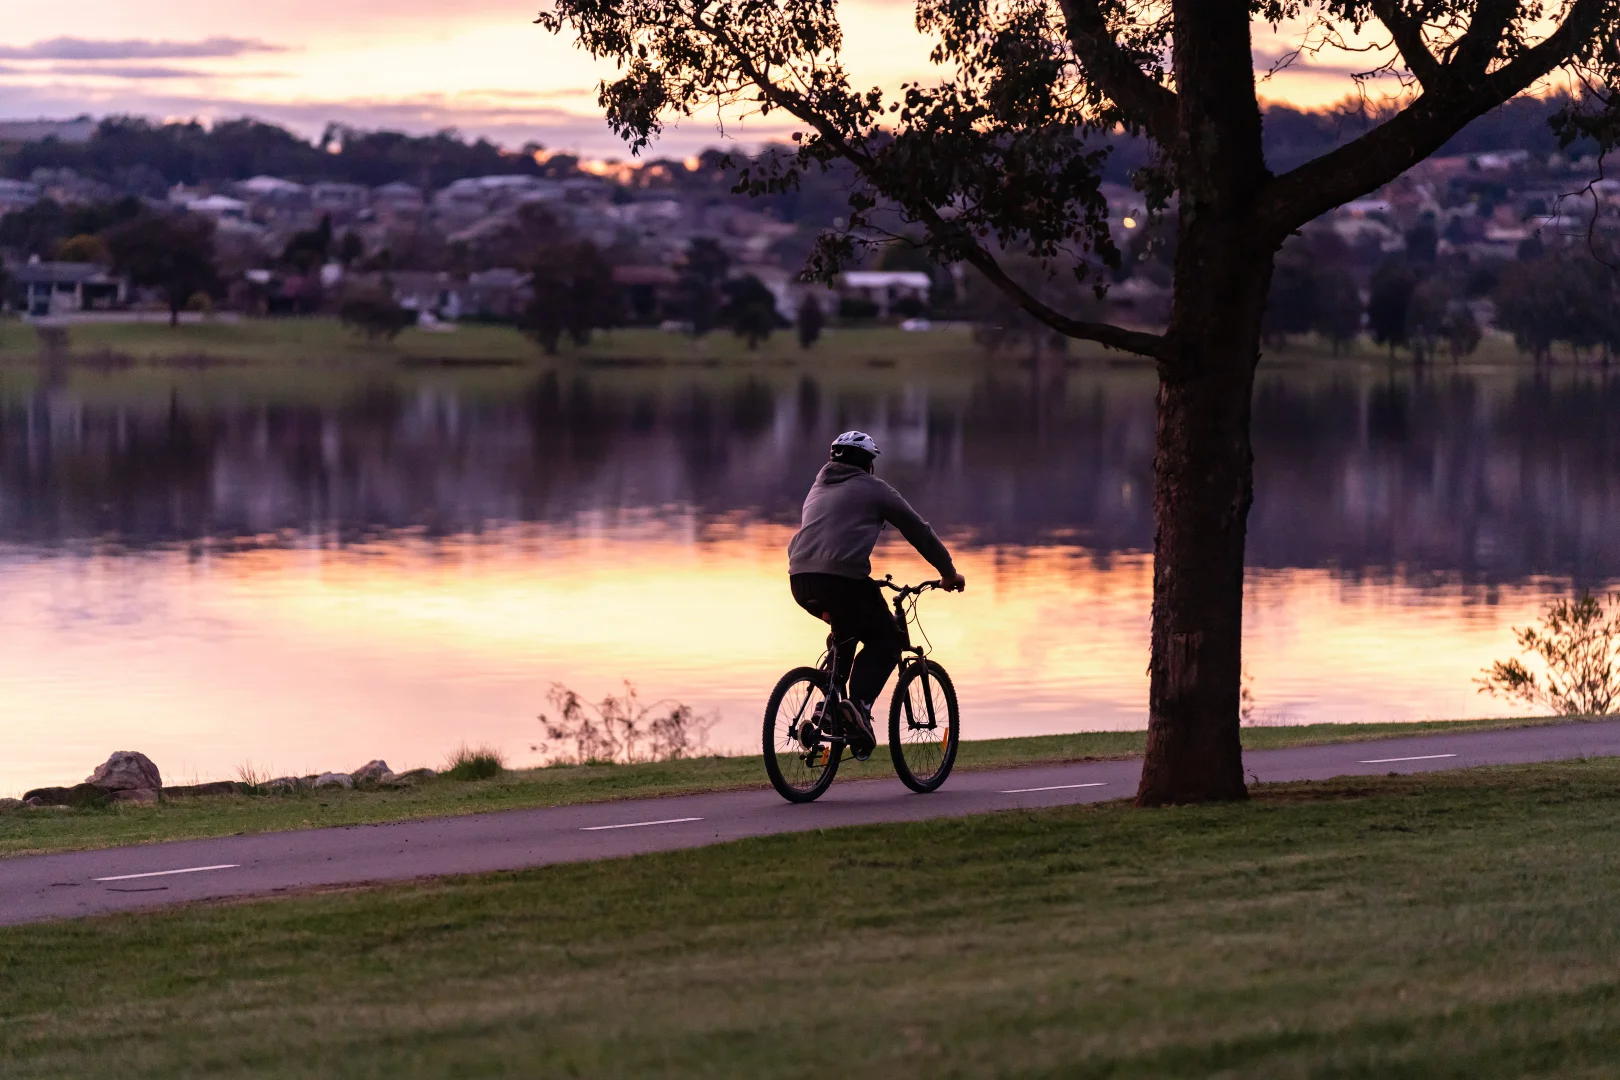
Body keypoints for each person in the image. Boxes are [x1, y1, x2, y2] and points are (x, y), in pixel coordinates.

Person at [787, 430, 965, 757]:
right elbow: (918, 531)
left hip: (799, 580)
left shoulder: (817, 488)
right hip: (842, 581)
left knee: (848, 631)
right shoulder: (875, 490)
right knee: (888, 640)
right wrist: (947, 572)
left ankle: (826, 707)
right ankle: (859, 706)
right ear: (867, 464)